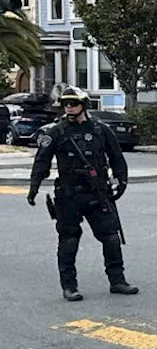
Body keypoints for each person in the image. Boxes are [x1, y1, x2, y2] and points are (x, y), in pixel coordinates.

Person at [27, 86, 138, 302]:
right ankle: (69, 286)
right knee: (68, 240)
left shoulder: (100, 129)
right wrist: (34, 186)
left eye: (73, 103)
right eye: (66, 104)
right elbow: (42, 161)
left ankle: (117, 281)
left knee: (111, 238)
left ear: (84, 105)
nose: (69, 107)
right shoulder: (56, 132)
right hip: (69, 196)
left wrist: (122, 181)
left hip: (97, 193)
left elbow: (116, 157)